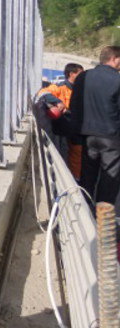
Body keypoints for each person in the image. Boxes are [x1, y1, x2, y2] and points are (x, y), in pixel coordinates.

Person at [70, 46, 120, 216]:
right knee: (109, 178)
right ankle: (102, 215)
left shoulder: (83, 77)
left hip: (87, 135)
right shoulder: (117, 80)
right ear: (115, 59)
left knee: (88, 174)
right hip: (111, 137)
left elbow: (74, 106)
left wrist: (77, 133)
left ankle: (84, 209)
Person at [36, 63, 85, 179]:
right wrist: (57, 102)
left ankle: (75, 179)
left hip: (77, 126)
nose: (83, 76)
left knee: (77, 153)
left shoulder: (82, 89)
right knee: (62, 152)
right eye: (80, 73)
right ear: (71, 74)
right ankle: (61, 177)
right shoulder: (59, 87)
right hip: (63, 125)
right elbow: (42, 93)